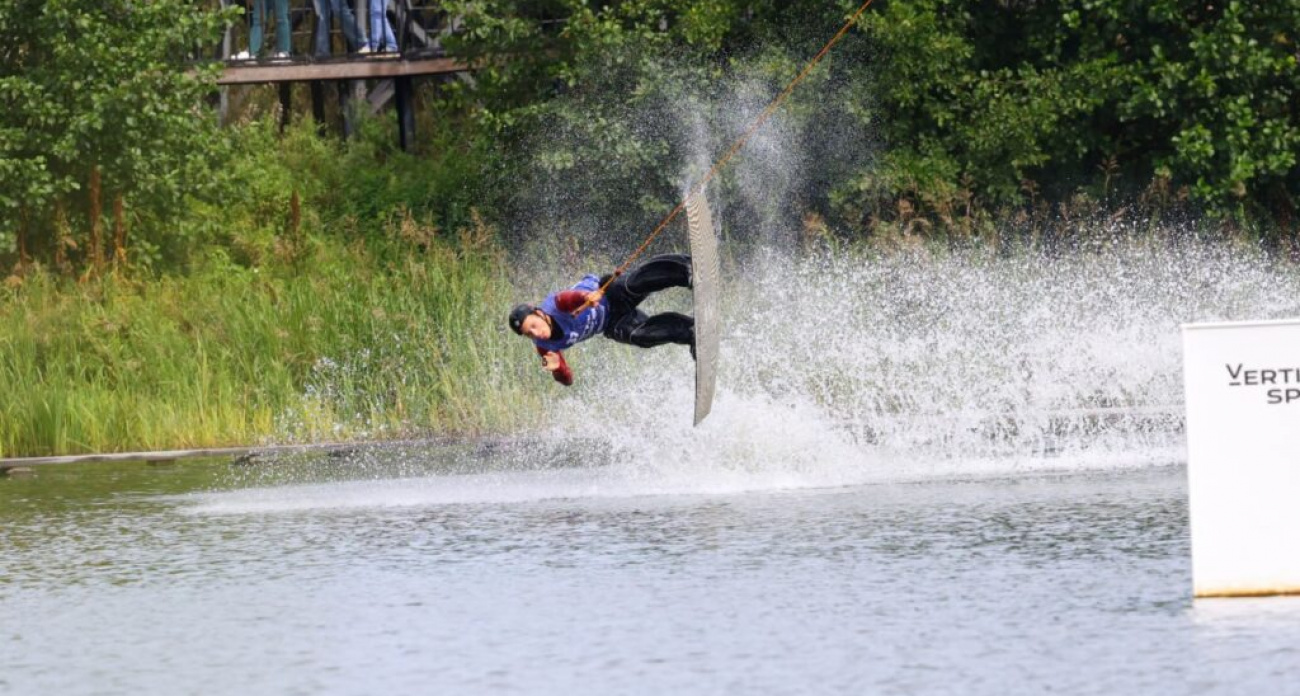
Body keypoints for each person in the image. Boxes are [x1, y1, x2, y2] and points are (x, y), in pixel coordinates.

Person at [509, 254, 695, 386]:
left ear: (540, 314)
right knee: (639, 336)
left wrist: (584, 298)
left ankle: (685, 270)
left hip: (608, 293)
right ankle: (690, 332)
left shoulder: (553, 306)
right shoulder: (545, 348)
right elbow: (567, 381)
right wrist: (557, 370)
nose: (535, 333)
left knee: (634, 285)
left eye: (533, 325)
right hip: (611, 322)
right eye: (528, 333)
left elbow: (567, 299)